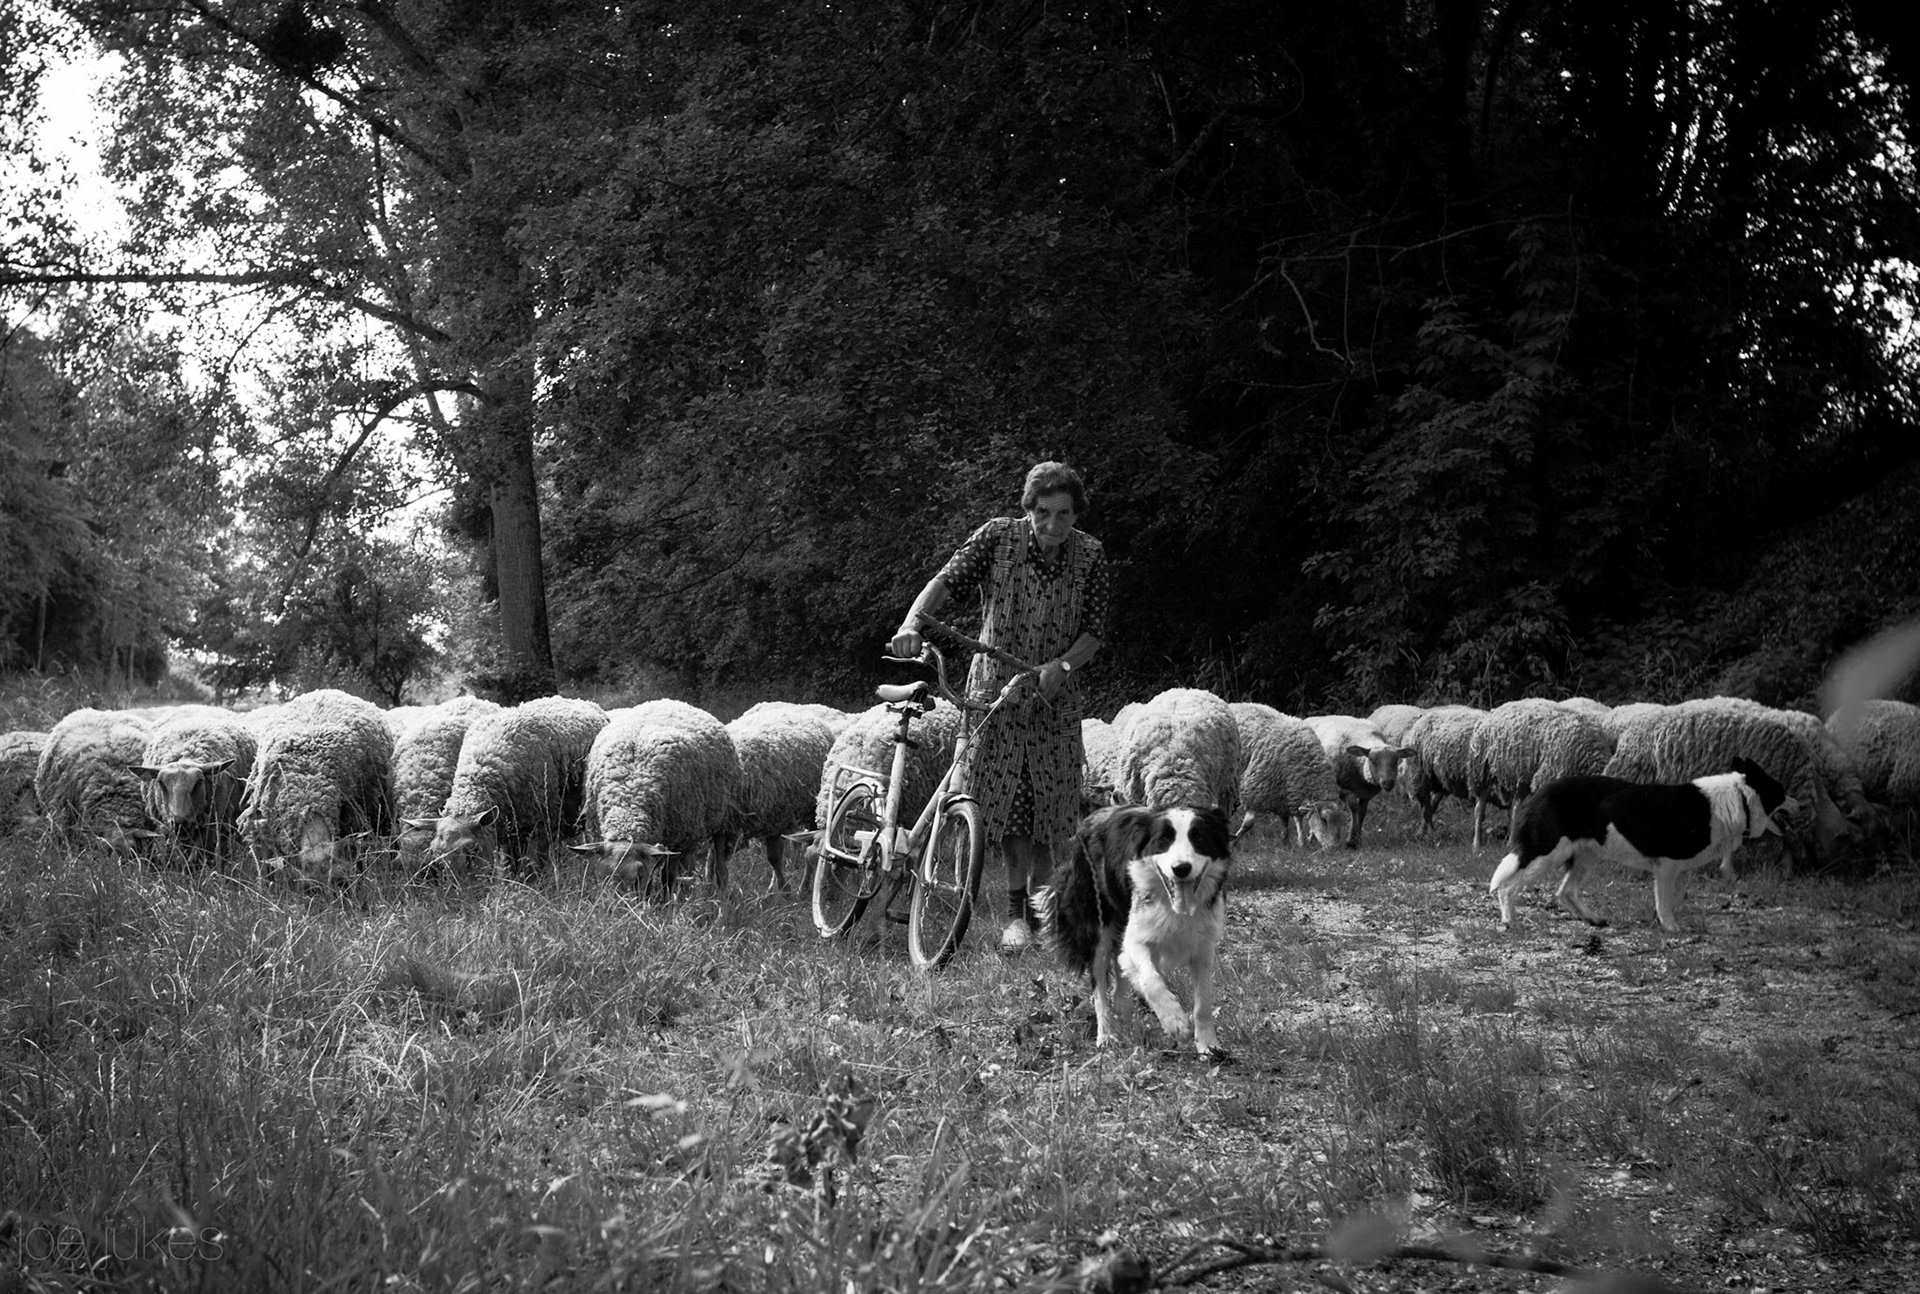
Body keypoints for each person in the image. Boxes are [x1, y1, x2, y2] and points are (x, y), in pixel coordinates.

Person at [889, 461, 1111, 951]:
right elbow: (945, 582)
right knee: (1011, 804)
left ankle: (1042, 910)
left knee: (1050, 806)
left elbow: (1094, 632)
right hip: (997, 693)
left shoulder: (1091, 556)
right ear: (1028, 510)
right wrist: (912, 625)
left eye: (1065, 514)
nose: (1054, 525)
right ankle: (1015, 916)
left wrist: (1064, 667)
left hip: (1054, 701)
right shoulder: (998, 540)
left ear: (1076, 514)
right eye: (1044, 513)